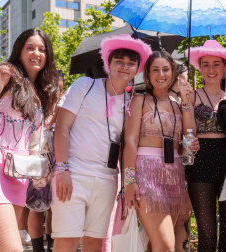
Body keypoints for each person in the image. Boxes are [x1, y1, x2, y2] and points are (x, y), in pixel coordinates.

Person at [0, 28, 60, 251]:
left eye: (42, 49)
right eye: (30, 47)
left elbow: (37, 134)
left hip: (18, 174)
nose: (37, 53)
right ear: (19, 51)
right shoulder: (5, 73)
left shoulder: (39, 90)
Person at [51, 34, 152, 252]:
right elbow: (62, 126)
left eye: (131, 63)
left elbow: (129, 144)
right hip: (74, 174)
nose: (125, 67)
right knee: (66, 241)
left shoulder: (133, 100)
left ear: (137, 69)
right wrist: (62, 169)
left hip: (108, 181)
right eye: (119, 61)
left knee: (95, 243)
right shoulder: (84, 85)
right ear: (108, 63)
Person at [124, 51, 199, 252]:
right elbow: (130, 142)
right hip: (146, 175)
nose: (161, 74)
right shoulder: (139, 100)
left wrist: (186, 102)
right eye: (155, 69)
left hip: (174, 176)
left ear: (173, 72)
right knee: (166, 245)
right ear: (147, 75)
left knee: (154, 244)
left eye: (166, 69)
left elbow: (189, 135)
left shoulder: (179, 105)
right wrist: (129, 180)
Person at [179, 39, 226, 252]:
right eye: (205, 64)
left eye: (216, 64)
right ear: (199, 68)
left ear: (225, 67)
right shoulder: (192, 96)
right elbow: (188, 135)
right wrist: (185, 102)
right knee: (207, 233)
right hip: (201, 164)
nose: (211, 69)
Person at [29, 71, 64, 252]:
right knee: (36, 206)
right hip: (39, 160)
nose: (55, 92)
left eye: (59, 89)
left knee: (53, 207)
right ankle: (38, 249)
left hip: (59, 161)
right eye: (52, 88)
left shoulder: (65, 106)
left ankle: (51, 245)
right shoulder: (36, 106)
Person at [169, 62, 193, 252]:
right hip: (168, 168)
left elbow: (190, 133)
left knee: (182, 219)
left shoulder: (184, 102)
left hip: (185, 166)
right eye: (185, 76)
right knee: (173, 221)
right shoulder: (165, 101)